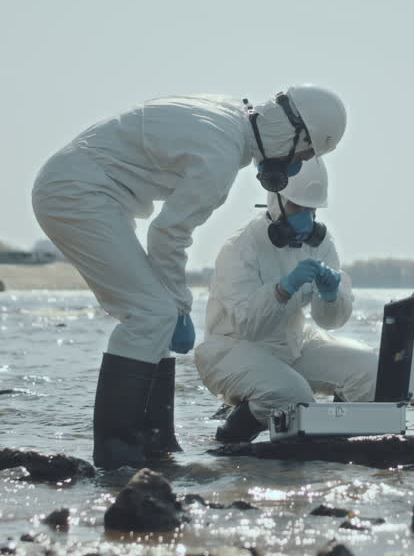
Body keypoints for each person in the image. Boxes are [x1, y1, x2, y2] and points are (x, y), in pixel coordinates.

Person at [31, 86, 346, 468]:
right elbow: (167, 234)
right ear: (293, 133)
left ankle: (157, 444)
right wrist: (181, 307)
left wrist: (173, 307)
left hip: (88, 188)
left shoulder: (227, 116)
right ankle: (117, 457)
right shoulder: (220, 157)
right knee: (151, 314)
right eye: (303, 154)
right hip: (77, 193)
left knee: (155, 314)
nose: (296, 166)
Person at [195, 156, 377, 443]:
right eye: (296, 207)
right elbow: (248, 326)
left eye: (311, 209)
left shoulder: (321, 244)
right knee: (292, 397)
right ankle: (228, 440)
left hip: (291, 343)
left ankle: (335, 445)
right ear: (275, 201)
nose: (305, 217)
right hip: (233, 350)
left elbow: (330, 322)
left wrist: (331, 296)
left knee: (369, 371)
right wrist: (283, 289)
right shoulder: (239, 248)